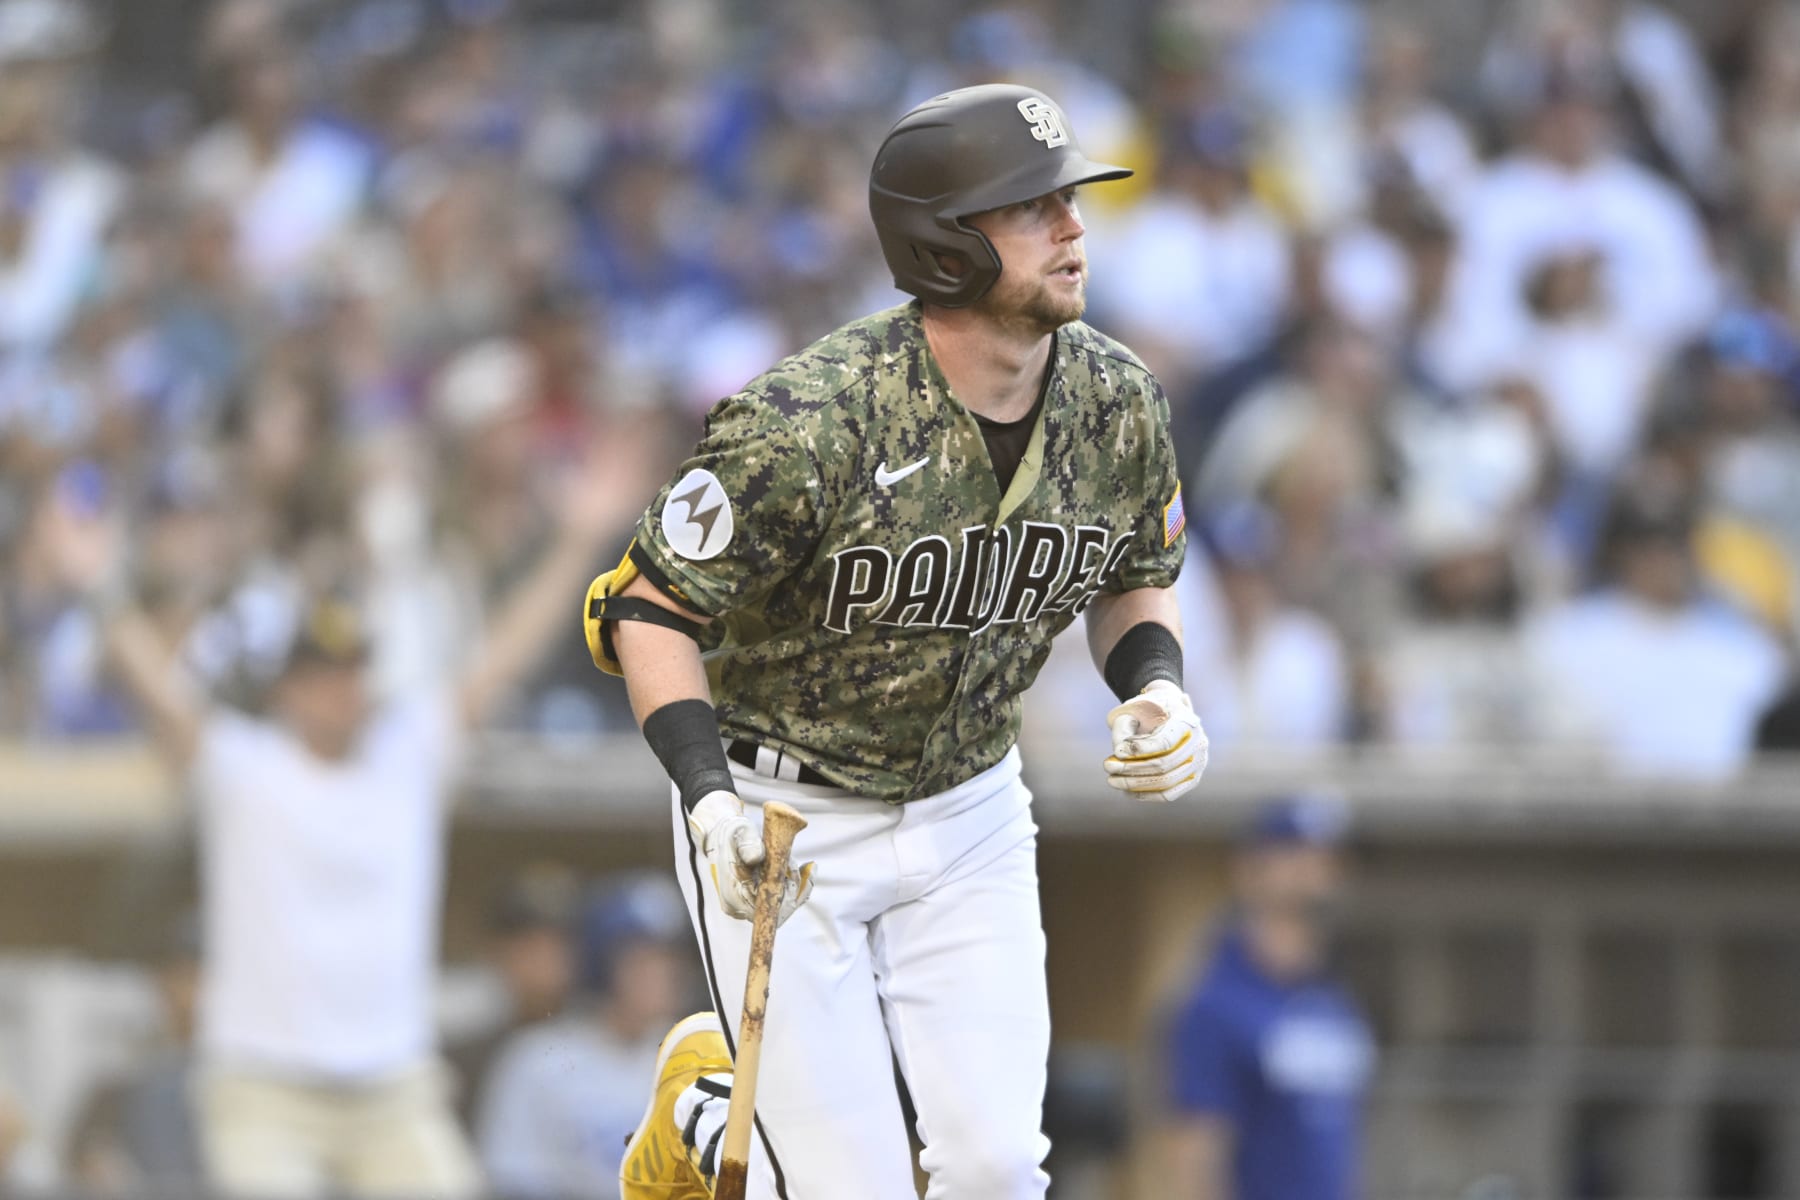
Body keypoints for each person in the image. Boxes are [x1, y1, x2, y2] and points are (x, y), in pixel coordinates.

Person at [584, 83, 1207, 1200]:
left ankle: (727, 1110)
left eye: (1069, 200)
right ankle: (704, 1101)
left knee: (996, 1170)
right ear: (946, 244)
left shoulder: (1118, 402)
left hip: (968, 811)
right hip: (785, 820)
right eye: (1033, 208)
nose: (1072, 228)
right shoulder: (809, 419)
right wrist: (706, 799)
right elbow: (648, 608)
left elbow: (1135, 576)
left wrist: (1158, 684)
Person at [41, 460, 629, 1199]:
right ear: (288, 688)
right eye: (322, 673)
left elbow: (500, 658)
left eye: (352, 669)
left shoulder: (407, 756)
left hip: (391, 1083)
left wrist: (578, 543)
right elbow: (161, 698)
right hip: (265, 1084)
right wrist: (97, 585)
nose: (340, 689)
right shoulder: (244, 768)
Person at [1162, 795, 1374, 1200]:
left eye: (1331, 859)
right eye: (1299, 856)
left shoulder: (1334, 1001)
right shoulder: (1214, 1005)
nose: (1320, 873)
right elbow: (1196, 1163)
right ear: (1251, 869)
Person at [476, 874, 697, 1199]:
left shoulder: (702, 1054)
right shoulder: (537, 1058)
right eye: (642, 961)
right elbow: (514, 1184)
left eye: (669, 960)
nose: (660, 976)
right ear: (601, 965)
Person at [63, 913, 206, 1195]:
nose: (185, 991)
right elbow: (84, 1155)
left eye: (195, 976)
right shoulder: (125, 1078)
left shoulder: (252, 1076)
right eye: (178, 975)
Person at [445, 863, 581, 1130]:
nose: (543, 959)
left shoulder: (604, 1045)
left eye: (556, 944)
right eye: (527, 945)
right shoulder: (463, 1059)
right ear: (494, 952)